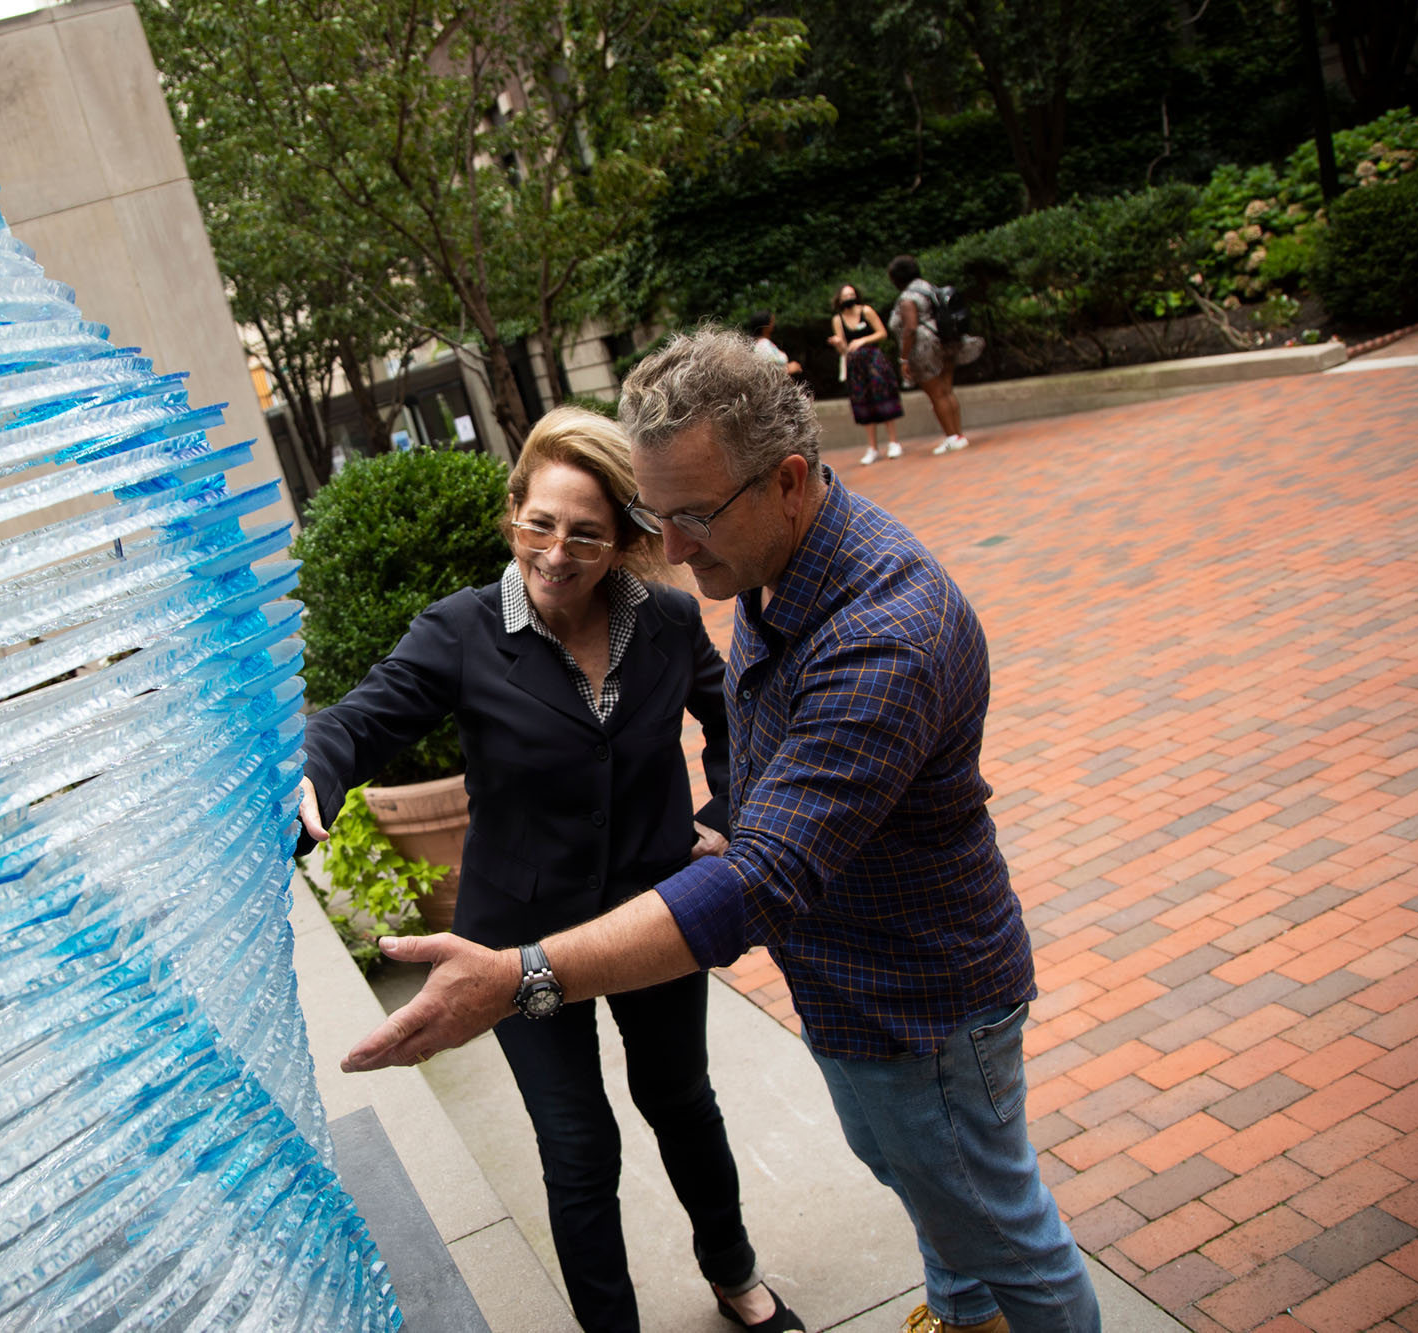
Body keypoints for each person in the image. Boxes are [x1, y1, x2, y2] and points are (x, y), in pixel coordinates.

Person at [342, 331, 1101, 1333]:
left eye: (689, 517)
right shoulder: (773, 562)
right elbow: (746, 737)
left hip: (918, 1000)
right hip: (845, 987)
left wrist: (522, 973)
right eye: (657, 517)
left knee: (1001, 1229)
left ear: (788, 479)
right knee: (930, 1192)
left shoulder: (880, 633)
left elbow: (762, 877)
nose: (676, 548)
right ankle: (964, 1322)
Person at [298, 406, 803, 1333]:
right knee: (578, 1145)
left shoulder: (670, 621)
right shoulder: (457, 632)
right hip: (513, 937)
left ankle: (734, 1274)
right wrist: (312, 774)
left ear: (621, 538)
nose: (557, 550)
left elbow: (739, 720)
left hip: (651, 918)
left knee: (680, 1100)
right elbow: (357, 719)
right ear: (512, 513)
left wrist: (725, 814)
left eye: (585, 532)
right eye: (539, 522)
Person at [888, 255, 983, 456]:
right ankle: (958, 435)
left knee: (936, 394)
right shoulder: (928, 287)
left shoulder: (907, 298)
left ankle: (951, 437)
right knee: (947, 391)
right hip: (945, 342)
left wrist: (904, 358)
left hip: (924, 349)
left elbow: (910, 329)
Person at [826, 283, 904, 465]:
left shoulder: (866, 311)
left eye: (851, 294)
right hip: (855, 365)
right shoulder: (837, 320)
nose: (848, 298)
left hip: (873, 360)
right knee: (863, 401)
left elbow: (882, 333)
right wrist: (838, 343)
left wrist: (862, 340)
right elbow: (844, 348)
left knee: (883, 396)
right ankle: (873, 447)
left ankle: (893, 442)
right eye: (844, 296)